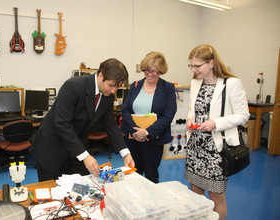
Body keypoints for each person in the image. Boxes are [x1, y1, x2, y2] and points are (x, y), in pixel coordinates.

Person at [29, 58, 135, 182]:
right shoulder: (73, 86)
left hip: (77, 145)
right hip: (52, 146)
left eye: (117, 88)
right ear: (101, 76)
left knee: (82, 187)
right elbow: (62, 124)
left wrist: (125, 153)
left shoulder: (107, 96)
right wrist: (85, 156)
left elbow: (111, 125)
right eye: (111, 85)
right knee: (52, 192)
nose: (113, 91)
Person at [185, 44, 250, 220]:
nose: (194, 69)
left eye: (198, 66)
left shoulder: (231, 83)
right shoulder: (195, 82)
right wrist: (190, 119)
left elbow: (243, 115)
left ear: (211, 63)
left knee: (216, 198)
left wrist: (215, 123)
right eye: (191, 65)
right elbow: (193, 109)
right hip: (196, 146)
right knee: (196, 192)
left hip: (217, 149)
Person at [120, 51, 177, 183]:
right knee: (133, 173)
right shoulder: (135, 85)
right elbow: (125, 109)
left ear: (161, 71)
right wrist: (135, 132)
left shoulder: (167, 88)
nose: (149, 74)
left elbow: (168, 115)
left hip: (153, 139)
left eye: (154, 71)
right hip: (133, 138)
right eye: (146, 70)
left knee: (151, 174)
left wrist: (146, 132)